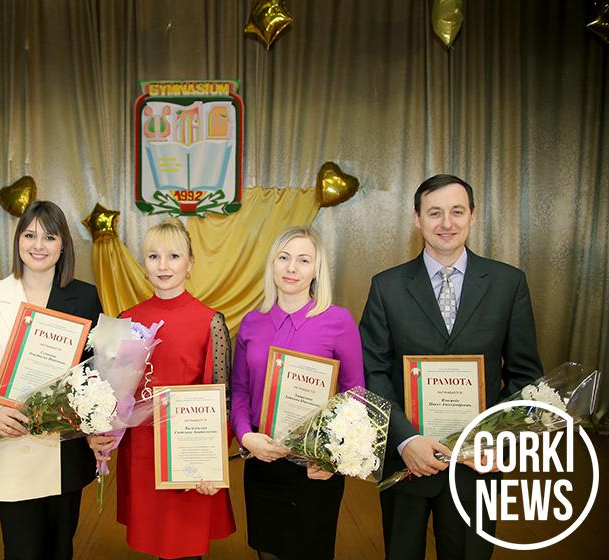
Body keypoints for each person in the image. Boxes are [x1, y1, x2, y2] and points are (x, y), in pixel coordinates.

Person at [359, 174, 543, 560]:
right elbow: (373, 372)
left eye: (457, 211)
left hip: (477, 464)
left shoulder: (509, 283)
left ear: (473, 216)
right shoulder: (385, 286)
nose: (447, 223)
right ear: (417, 218)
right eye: (435, 212)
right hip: (407, 461)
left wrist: (494, 438)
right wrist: (405, 440)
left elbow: (525, 377)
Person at [0, 200, 102, 560]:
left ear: (63, 245)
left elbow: (94, 370)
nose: (39, 245)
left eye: (49, 237)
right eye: (30, 235)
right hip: (9, 441)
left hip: (63, 450)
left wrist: (98, 421)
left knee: (60, 549)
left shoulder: (84, 296)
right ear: (17, 240)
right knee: (21, 549)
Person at [89, 218, 235, 560]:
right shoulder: (127, 319)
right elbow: (110, 391)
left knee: (186, 547)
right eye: (153, 256)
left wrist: (210, 462)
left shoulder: (210, 321)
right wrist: (101, 431)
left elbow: (222, 398)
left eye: (174, 256)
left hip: (188, 452)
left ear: (190, 263)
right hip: (142, 451)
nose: (163, 265)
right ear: (144, 265)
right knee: (157, 545)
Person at [230, 226, 365, 560]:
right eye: (284, 258)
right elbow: (240, 390)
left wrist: (333, 456)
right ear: (272, 264)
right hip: (262, 457)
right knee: (268, 552)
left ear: (316, 269)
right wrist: (245, 436)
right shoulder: (251, 322)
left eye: (304, 260)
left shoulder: (339, 321)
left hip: (315, 465)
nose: (292, 268)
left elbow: (355, 395)